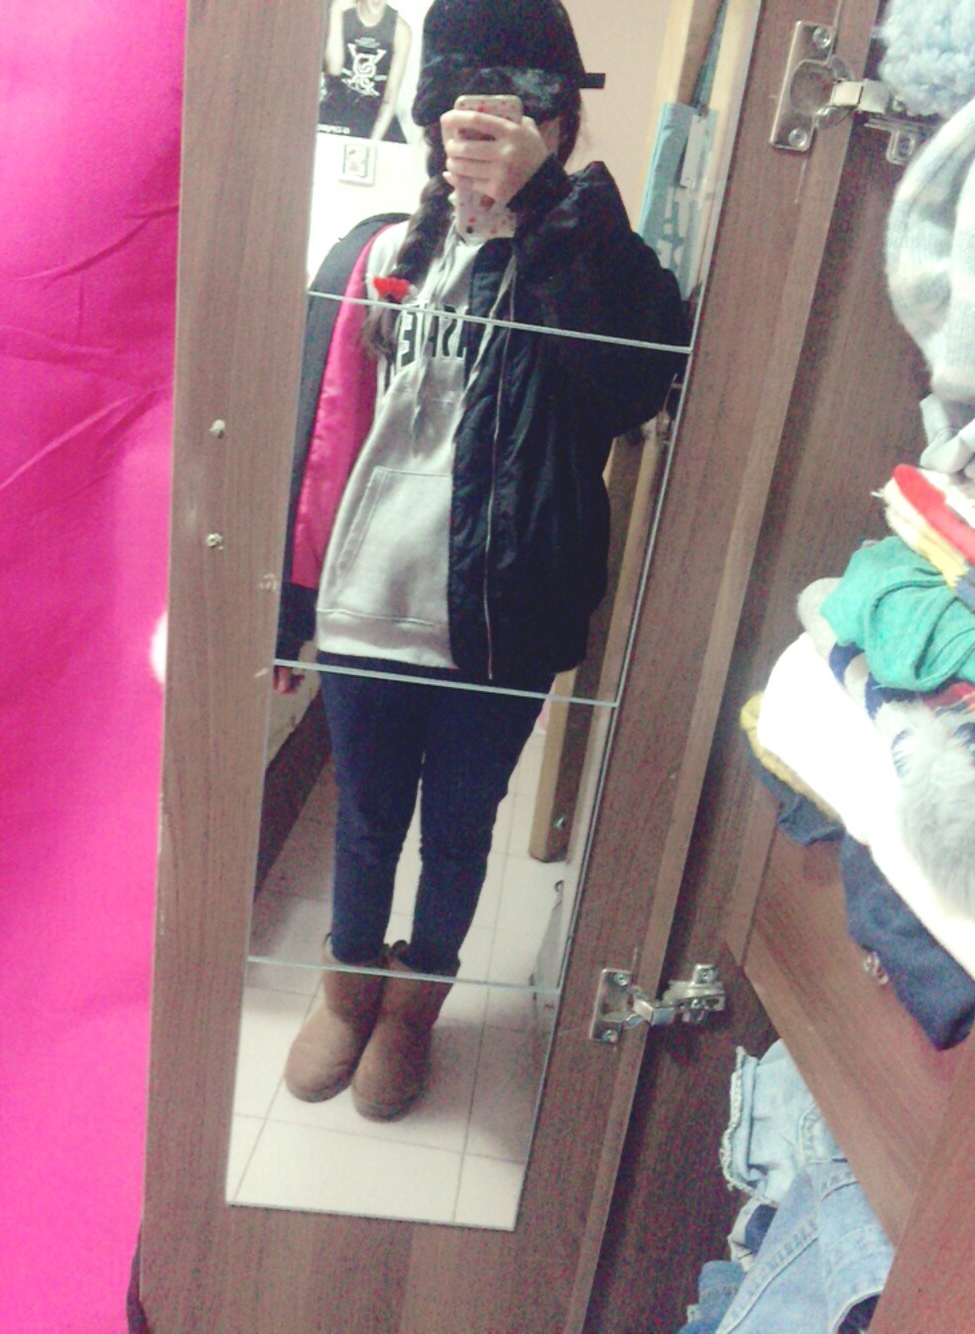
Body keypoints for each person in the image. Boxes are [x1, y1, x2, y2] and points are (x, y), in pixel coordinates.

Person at [276, 0, 689, 1121]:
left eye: (518, 117)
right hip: (367, 605)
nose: (487, 139)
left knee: (459, 833)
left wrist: (546, 207)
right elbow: (313, 436)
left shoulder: (591, 256)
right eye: (465, 117)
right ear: (432, 124)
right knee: (365, 820)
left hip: (504, 621)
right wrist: (288, 610)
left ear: (558, 126)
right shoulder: (376, 250)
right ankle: (348, 991)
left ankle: (415, 1011)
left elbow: (636, 380)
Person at [319, 0, 412, 143]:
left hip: (373, 114)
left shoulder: (400, 30)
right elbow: (334, 68)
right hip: (338, 108)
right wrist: (336, 11)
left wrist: (372, 143)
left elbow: (390, 97)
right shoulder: (343, 14)